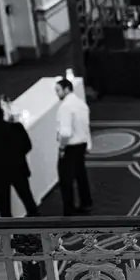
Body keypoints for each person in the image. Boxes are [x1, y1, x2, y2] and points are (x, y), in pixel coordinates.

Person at [0, 99, 39, 217]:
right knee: (28, 200)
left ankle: (10, 233)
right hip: (18, 168)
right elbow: (27, 146)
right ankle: (38, 225)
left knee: (5, 210)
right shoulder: (17, 127)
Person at [56, 77, 93, 215]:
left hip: (70, 147)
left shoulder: (65, 107)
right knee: (81, 175)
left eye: (58, 90)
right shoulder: (81, 104)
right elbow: (86, 126)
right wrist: (88, 144)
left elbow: (65, 132)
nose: (57, 94)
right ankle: (86, 202)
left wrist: (61, 148)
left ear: (67, 89)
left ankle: (69, 210)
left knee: (66, 180)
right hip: (82, 144)